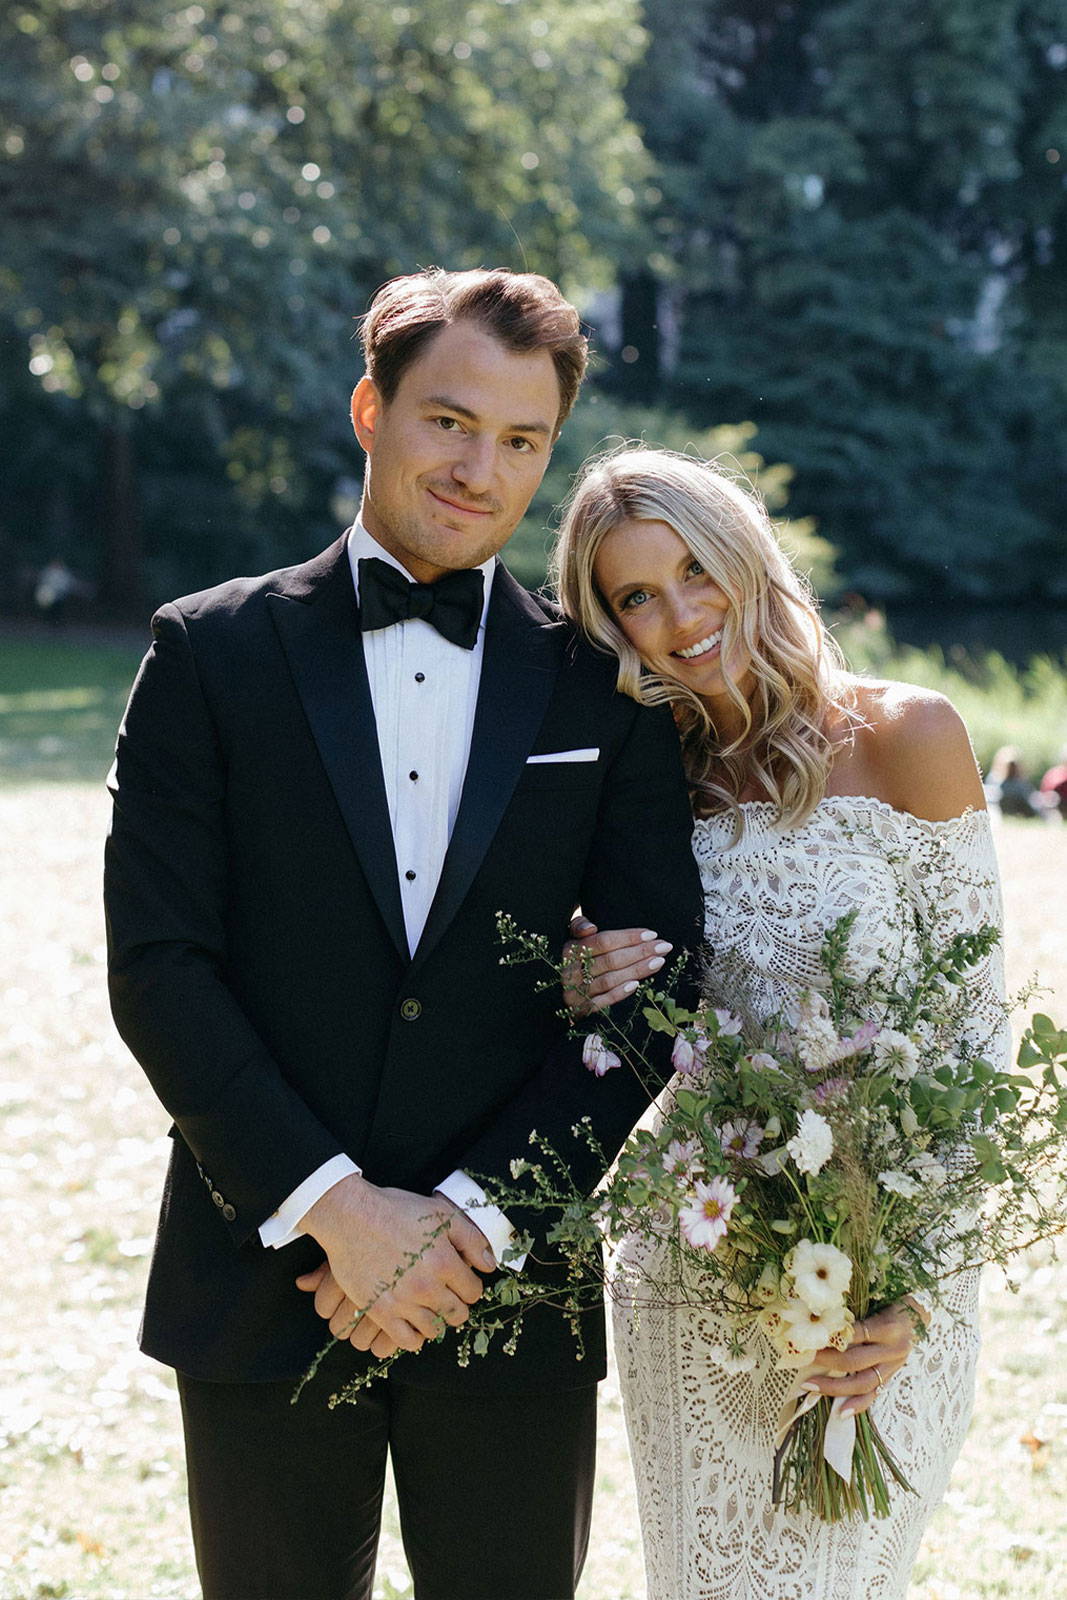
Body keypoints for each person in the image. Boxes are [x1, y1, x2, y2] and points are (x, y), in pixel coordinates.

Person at [104, 273, 704, 1600]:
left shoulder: (600, 686)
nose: (476, 465)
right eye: (447, 418)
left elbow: (659, 991)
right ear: (371, 410)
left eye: (519, 440)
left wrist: (473, 1224)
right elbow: (159, 966)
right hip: (263, 1273)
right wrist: (333, 1208)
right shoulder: (207, 654)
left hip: (512, 1292)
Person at [551, 447, 1008, 1600]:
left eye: (694, 571)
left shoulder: (910, 738)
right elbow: (604, 1014)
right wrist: (573, 980)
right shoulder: (634, 777)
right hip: (693, 1256)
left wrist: (905, 1284)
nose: (679, 617)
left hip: (890, 1277)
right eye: (635, 597)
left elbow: (973, 1043)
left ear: (748, 558)